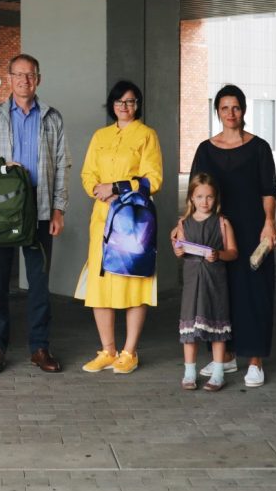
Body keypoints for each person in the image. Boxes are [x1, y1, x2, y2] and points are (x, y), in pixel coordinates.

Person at [0, 53, 70, 374]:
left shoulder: (52, 118)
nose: (25, 80)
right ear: (9, 78)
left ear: (38, 79)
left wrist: (58, 209)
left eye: (31, 75)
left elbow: (62, 165)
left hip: (38, 212)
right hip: (2, 214)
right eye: (19, 75)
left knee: (38, 283)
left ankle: (39, 348)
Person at [182, 85, 276, 388]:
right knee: (218, 295)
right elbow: (194, 193)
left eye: (235, 107)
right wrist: (183, 225)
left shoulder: (259, 148)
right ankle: (224, 357)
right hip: (215, 232)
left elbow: (269, 191)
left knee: (253, 293)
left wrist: (270, 222)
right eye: (224, 108)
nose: (230, 113)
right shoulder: (205, 149)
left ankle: (255, 361)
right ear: (218, 112)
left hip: (252, 229)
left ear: (244, 110)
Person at [76, 80, 162, 375]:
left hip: (132, 220)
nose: (125, 107)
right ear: (112, 105)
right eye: (120, 102)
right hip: (102, 218)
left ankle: (130, 351)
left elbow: (154, 179)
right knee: (100, 283)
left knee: (132, 279)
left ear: (138, 105)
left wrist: (118, 188)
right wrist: (97, 189)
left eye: (131, 102)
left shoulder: (147, 135)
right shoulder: (100, 136)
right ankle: (108, 350)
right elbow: (88, 173)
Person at [173, 173, 237, 392]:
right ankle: (189, 372)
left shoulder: (222, 222)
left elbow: (233, 252)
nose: (204, 201)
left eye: (209, 197)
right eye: (199, 196)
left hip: (215, 280)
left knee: (217, 324)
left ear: (215, 198)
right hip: (192, 281)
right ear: (191, 197)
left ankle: (218, 372)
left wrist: (218, 254)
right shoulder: (184, 223)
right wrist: (178, 250)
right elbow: (179, 250)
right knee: (189, 326)